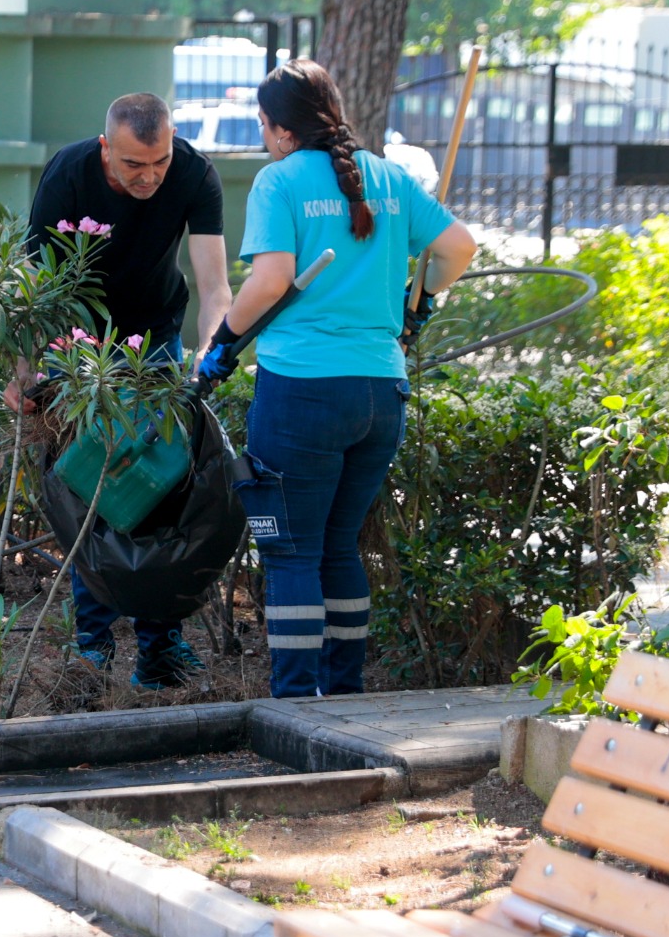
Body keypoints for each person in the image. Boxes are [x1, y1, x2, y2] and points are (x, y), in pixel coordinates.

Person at [198, 61, 477, 698]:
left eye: (265, 126)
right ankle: (344, 694)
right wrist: (423, 299)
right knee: (339, 547)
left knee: (293, 552)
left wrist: (223, 346)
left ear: (277, 128)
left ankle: (297, 703)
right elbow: (458, 245)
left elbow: (269, 282)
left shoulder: (278, 182)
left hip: (303, 390)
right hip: (381, 392)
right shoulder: (388, 176)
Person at [18, 91, 231, 690]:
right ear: (107, 147)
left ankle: (161, 651)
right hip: (80, 344)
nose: (150, 176)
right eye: (135, 164)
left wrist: (212, 348)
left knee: (163, 495)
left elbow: (216, 284)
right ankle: (92, 650)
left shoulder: (193, 172)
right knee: (97, 492)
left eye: (159, 162)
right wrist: (24, 371)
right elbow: (37, 284)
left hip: (156, 340)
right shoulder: (70, 172)